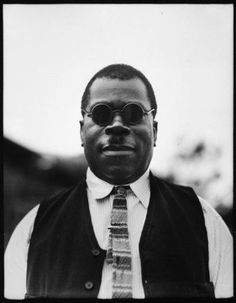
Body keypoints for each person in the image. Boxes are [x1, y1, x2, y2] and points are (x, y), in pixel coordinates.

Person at [4, 64, 233, 299]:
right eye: (102, 113)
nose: (116, 125)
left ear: (154, 130)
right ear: (82, 132)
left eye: (133, 113)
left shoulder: (204, 221)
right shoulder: (34, 227)